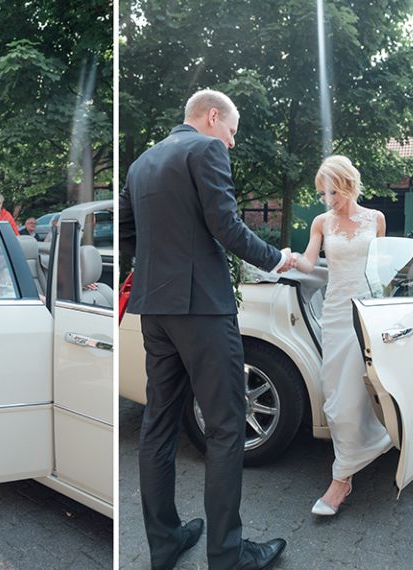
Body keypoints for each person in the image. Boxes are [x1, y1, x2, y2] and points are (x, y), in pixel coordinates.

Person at [120, 89, 292, 570]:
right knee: (225, 426)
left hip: (154, 308)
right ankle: (227, 554)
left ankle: (166, 542)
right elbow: (226, 224)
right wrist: (277, 259)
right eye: (233, 131)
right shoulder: (206, 149)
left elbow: (128, 232)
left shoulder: (141, 163)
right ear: (213, 117)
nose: (232, 143)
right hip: (202, 309)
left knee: (158, 424)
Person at [291, 155, 393, 516]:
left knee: (361, 393)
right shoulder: (322, 222)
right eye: (323, 193)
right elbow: (309, 261)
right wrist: (289, 258)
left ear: (348, 184)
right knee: (336, 399)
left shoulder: (375, 219)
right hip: (335, 314)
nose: (328, 199)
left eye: (333, 191)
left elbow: (381, 272)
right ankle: (362, 454)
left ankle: (341, 480)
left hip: (366, 314)